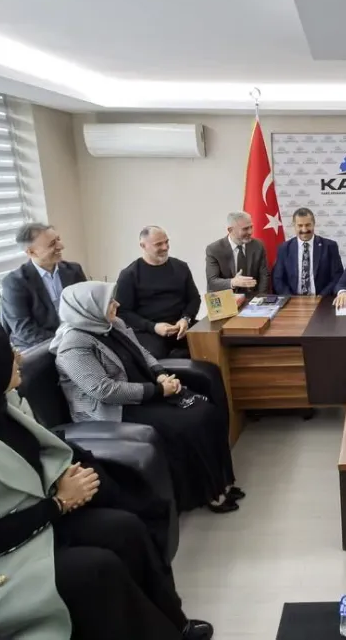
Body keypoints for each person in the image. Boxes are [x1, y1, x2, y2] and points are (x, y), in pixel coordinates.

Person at [0, 324, 214, 640]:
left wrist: (74, 476)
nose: (19, 356)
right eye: (7, 353)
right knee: (94, 570)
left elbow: (43, 450)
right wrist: (59, 503)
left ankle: (174, 625)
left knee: (125, 529)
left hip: (22, 525)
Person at [51, 281, 242, 515]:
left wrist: (160, 374)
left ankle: (220, 482)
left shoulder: (114, 324)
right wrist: (158, 391)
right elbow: (104, 391)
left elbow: (143, 353)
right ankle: (205, 494)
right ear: (89, 307)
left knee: (205, 410)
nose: (117, 304)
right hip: (115, 409)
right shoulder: (73, 345)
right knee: (186, 425)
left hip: (146, 389)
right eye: (110, 301)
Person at [115, 226, 200, 360]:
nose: (165, 247)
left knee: (209, 342)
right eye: (158, 244)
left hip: (181, 326)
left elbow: (194, 299)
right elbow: (123, 312)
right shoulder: (129, 275)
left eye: (166, 242)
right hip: (149, 331)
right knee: (154, 357)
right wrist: (153, 327)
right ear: (143, 245)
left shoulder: (181, 267)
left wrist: (186, 319)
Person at [0, 223, 87, 349]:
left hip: (75, 339)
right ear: (31, 252)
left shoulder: (74, 270)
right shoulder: (15, 282)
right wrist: (66, 342)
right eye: (52, 244)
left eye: (58, 239)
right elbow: (25, 331)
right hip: (40, 346)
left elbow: (88, 310)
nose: (61, 246)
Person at [272, 207, 344, 296]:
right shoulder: (284, 248)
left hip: (322, 298)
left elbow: (338, 276)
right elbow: (278, 279)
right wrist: (291, 298)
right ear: (294, 225)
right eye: (300, 225)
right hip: (292, 299)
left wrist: (321, 296)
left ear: (314, 224)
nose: (304, 230)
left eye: (308, 225)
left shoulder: (329, 246)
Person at [205, 211, 270, 295]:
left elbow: (264, 275)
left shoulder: (258, 245)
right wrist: (233, 282)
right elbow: (212, 281)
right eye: (245, 229)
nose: (250, 232)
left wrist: (261, 297)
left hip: (253, 297)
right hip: (226, 297)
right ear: (230, 230)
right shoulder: (214, 249)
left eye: (251, 227)